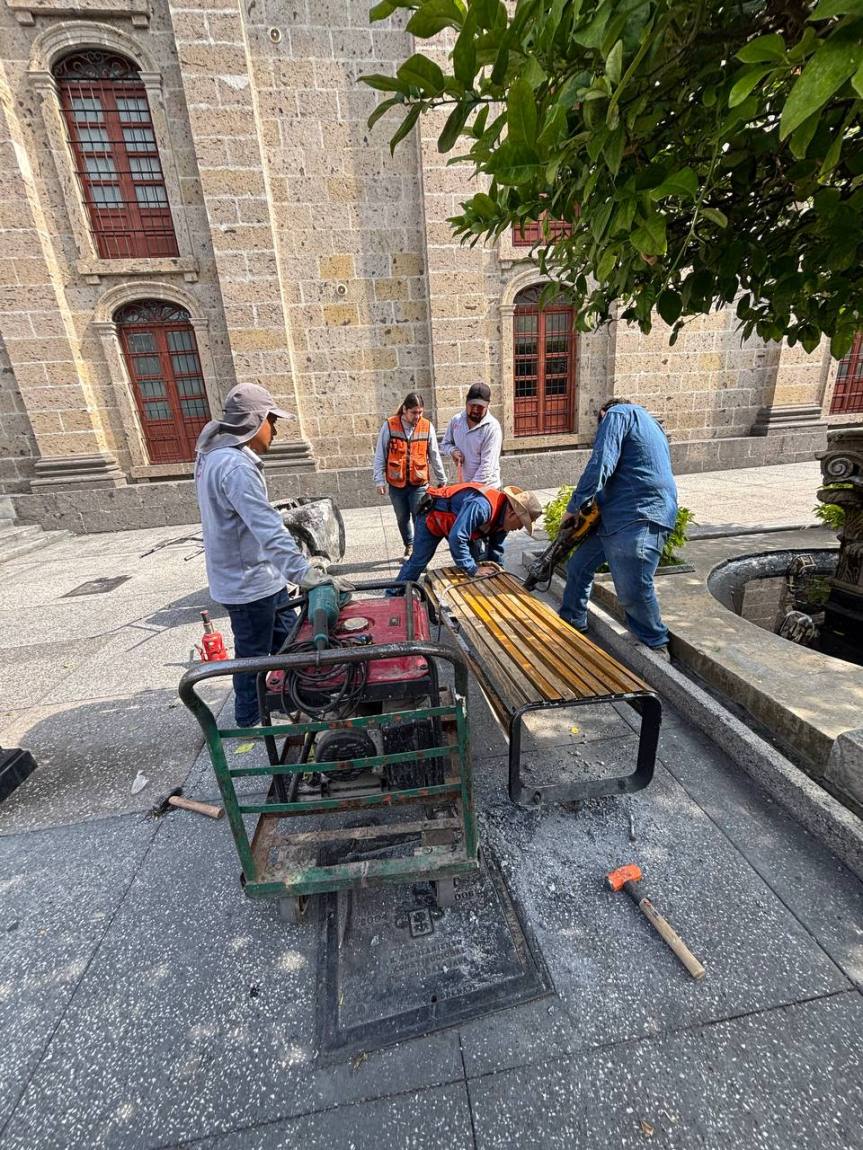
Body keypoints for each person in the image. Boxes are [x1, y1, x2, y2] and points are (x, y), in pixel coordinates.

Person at [194, 383, 350, 728]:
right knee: (252, 657)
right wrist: (303, 571)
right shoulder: (235, 467)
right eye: (271, 421)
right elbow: (265, 527)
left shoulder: (213, 456)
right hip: (248, 582)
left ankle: (305, 696)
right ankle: (249, 720)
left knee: (289, 639)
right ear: (255, 421)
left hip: (256, 576)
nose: (275, 430)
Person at [558, 399, 678, 658]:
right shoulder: (649, 423)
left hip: (639, 514)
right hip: (618, 516)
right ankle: (572, 621)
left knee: (632, 584)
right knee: (579, 566)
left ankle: (655, 643)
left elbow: (602, 462)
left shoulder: (617, 413)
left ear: (602, 414)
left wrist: (574, 506)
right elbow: (625, 473)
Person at [392, 481, 542, 588]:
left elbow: (496, 548)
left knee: (476, 563)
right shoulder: (482, 507)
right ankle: (393, 595)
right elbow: (457, 537)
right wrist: (473, 569)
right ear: (512, 514)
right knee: (418, 561)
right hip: (433, 518)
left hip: (458, 523)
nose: (519, 528)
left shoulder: (504, 521)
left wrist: (498, 572)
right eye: (521, 523)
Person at [372, 391, 446, 558]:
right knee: (402, 518)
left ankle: (419, 550)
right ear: (405, 409)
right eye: (414, 412)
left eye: (420, 412)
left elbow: (434, 454)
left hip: (419, 483)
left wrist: (442, 479)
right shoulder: (390, 425)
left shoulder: (427, 426)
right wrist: (379, 481)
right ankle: (409, 544)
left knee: (420, 518)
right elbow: (380, 454)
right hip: (396, 484)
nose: (418, 416)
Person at [440, 382, 503, 488]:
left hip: (487, 487)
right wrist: (453, 451)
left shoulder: (492, 428)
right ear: (466, 402)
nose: (475, 409)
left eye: (480, 407)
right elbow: (445, 444)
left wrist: (469, 489)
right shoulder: (456, 421)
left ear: (487, 405)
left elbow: (486, 468)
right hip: (466, 485)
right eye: (472, 405)